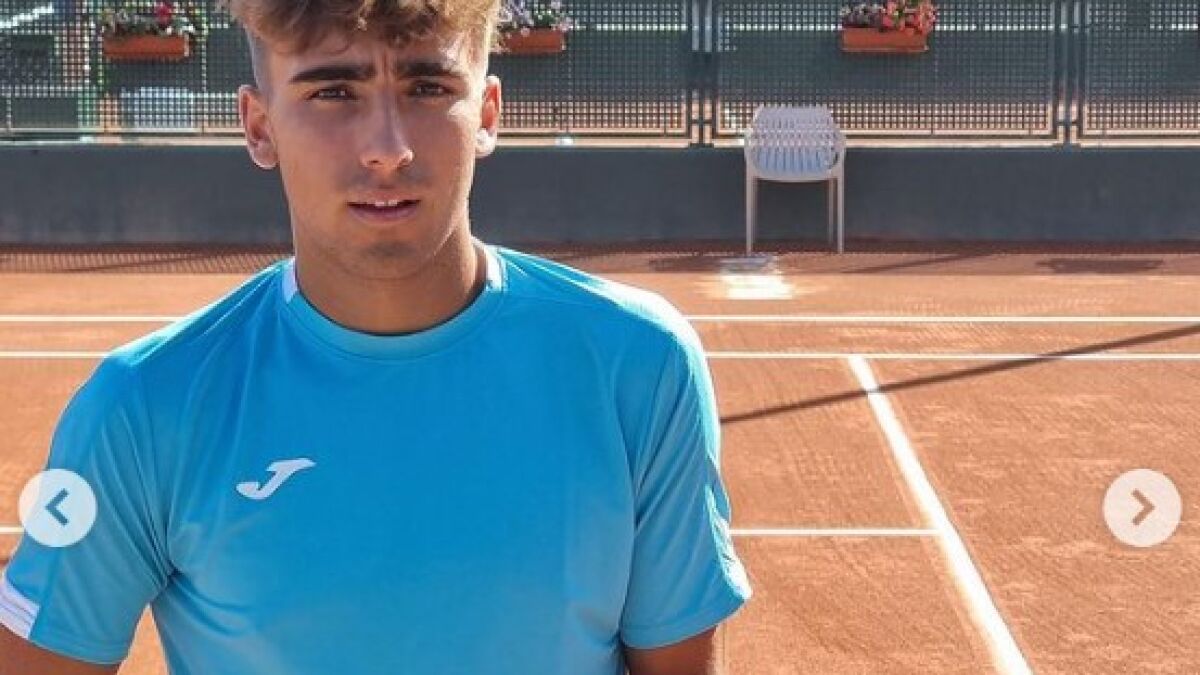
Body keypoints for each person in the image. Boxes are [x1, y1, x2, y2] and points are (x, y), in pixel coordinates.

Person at [0, 0, 752, 673]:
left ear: (487, 113)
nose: (388, 147)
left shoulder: (639, 364)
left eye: (428, 88)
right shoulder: (140, 407)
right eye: (333, 91)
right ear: (259, 125)